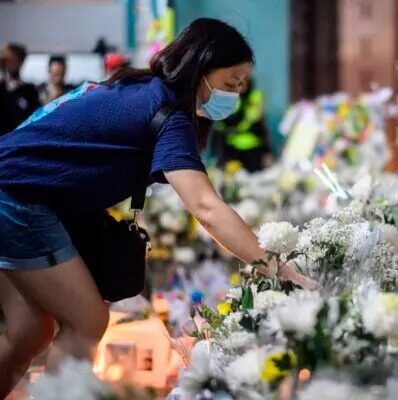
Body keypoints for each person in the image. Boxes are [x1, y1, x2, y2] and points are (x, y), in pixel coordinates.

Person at [0, 18, 315, 397]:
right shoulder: (167, 112)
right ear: (200, 68)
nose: (236, 95)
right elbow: (206, 207)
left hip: (14, 188)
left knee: (28, 333)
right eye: (231, 83)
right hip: (17, 198)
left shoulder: (137, 86)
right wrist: (276, 267)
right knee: (87, 321)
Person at [210, 80, 273, 172]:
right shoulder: (229, 99)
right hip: (232, 149)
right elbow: (220, 127)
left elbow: (261, 126)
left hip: (253, 149)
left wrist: (267, 151)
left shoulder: (255, 97)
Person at [0, 43, 41, 135]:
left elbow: (35, 117)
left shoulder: (29, 90)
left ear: (20, 62)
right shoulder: (1, 89)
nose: (7, 64)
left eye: (11, 60)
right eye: (5, 60)